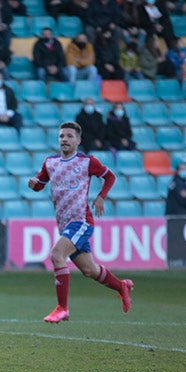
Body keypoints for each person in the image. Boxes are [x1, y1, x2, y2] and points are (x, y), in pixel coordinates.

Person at [27, 122, 133, 323]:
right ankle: (122, 286)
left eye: (69, 136)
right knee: (89, 270)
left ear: (78, 140)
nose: (64, 139)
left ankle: (62, 308)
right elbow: (40, 185)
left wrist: (101, 196)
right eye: (61, 136)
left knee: (57, 255)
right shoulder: (50, 162)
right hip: (65, 224)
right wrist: (33, 184)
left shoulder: (87, 162)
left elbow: (110, 176)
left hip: (81, 221)